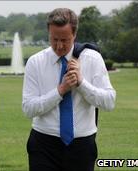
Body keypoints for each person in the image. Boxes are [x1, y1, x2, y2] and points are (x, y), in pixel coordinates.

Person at [22, 8, 116, 171]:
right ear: (48, 33)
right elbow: (28, 109)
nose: (59, 46)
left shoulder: (92, 59)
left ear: (75, 35)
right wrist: (60, 91)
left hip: (82, 145)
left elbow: (109, 102)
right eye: (54, 39)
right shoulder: (35, 62)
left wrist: (81, 83)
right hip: (43, 145)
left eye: (65, 40)